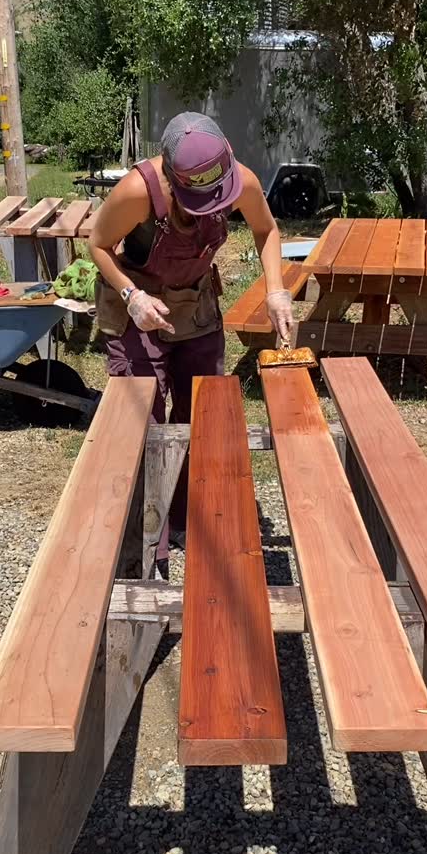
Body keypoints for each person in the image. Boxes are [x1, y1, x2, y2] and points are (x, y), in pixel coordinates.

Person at [88, 111, 292, 551]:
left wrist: (276, 291)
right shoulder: (137, 191)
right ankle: (146, 541)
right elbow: (97, 244)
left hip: (195, 306)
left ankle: (188, 520)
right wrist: (131, 296)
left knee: (203, 413)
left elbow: (266, 229)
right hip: (138, 312)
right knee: (143, 423)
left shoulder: (244, 180)